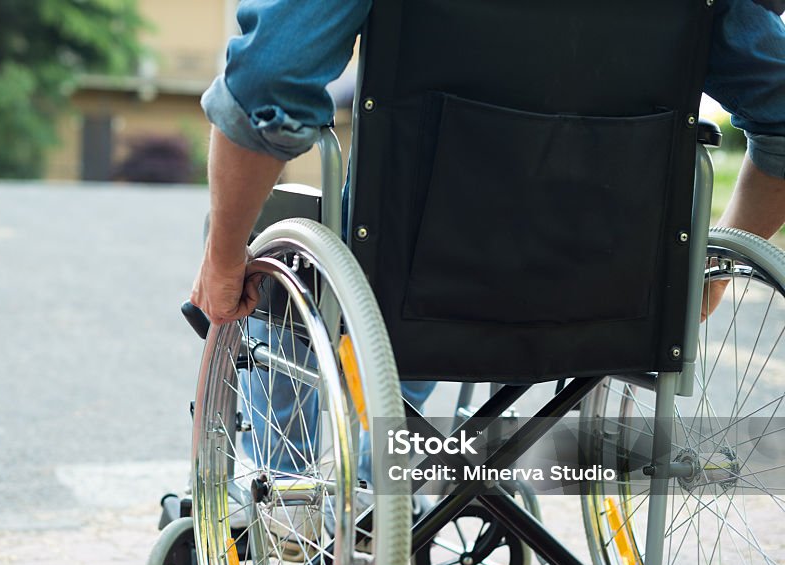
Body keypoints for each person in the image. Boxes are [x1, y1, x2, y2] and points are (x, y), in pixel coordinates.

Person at [191, 0, 785, 327]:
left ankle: (287, 492)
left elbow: (266, 84)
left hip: (417, 279)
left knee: (278, 248)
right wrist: (707, 269)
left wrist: (222, 260)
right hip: (612, 289)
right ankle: (403, 473)